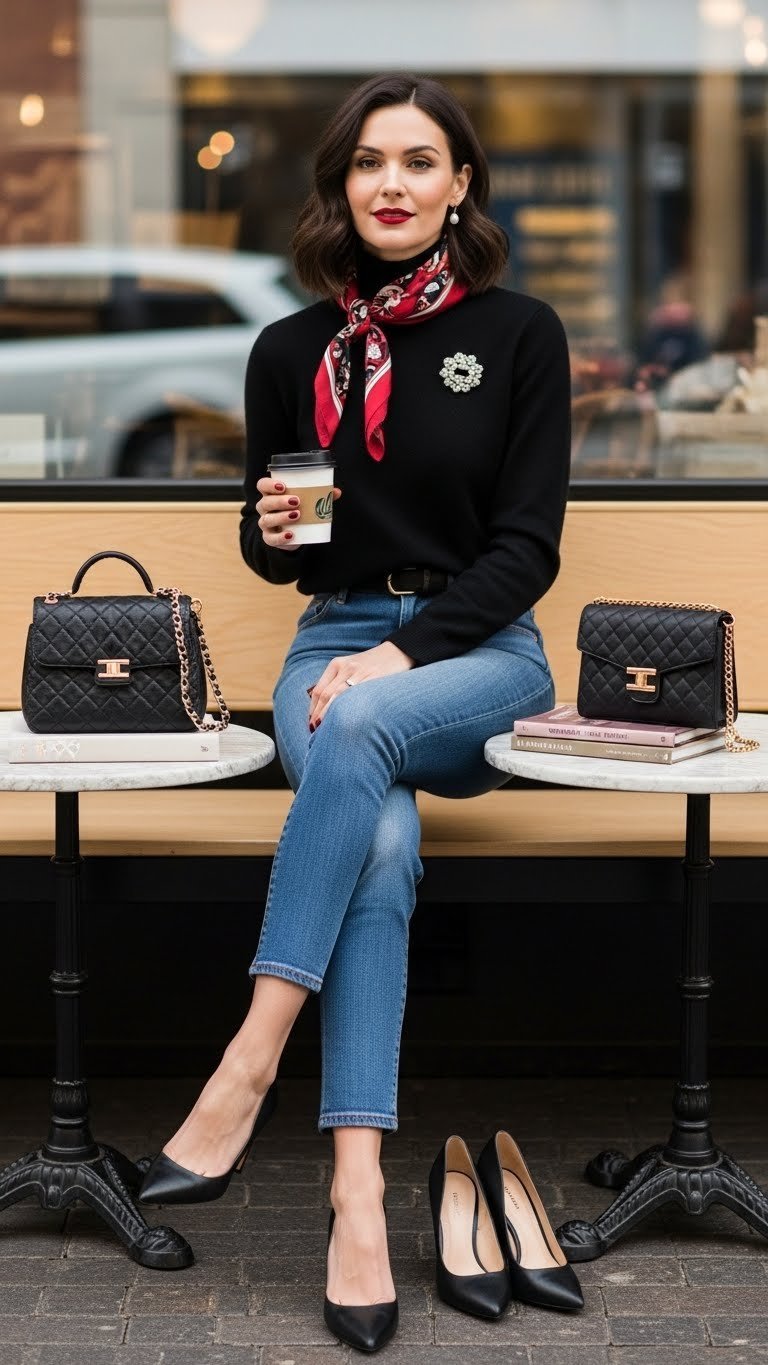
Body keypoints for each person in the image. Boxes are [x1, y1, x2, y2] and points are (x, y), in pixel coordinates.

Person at [139, 72, 571, 1353]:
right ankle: (356, 1205)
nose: (392, 183)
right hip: (331, 639)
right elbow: (294, 554)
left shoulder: (518, 334)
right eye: (369, 162)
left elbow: (527, 546)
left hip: (482, 654)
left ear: (459, 185)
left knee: (360, 729)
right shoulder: (292, 352)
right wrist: (271, 530)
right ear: (340, 186)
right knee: (378, 844)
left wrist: (404, 658)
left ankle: (248, 1061)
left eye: (419, 161)